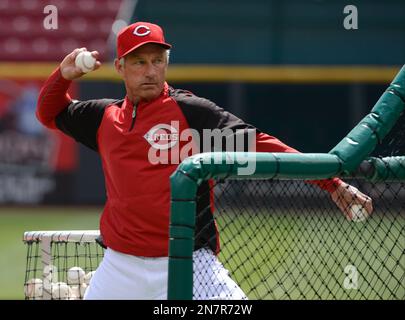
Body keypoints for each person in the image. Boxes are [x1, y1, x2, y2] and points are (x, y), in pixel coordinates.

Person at [36, 21, 373, 300]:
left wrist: (332, 184)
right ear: (120, 66)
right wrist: (63, 75)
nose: (150, 70)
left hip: (189, 261)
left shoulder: (192, 113)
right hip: (119, 266)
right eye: (139, 61)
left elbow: (261, 145)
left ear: (167, 62)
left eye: (157, 59)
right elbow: (49, 114)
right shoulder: (103, 117)